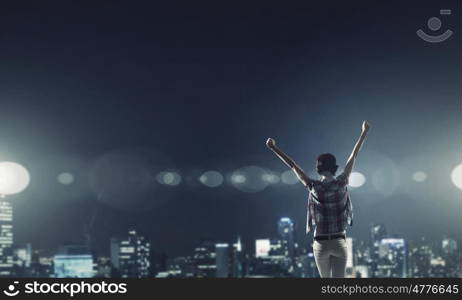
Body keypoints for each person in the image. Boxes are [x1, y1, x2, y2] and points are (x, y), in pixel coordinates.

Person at [266, 120, 370, 278]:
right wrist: (364, 132)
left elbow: (292, 165)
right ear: (333, 167)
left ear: (318, 168)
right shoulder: (342, 182)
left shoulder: (313, 186)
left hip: (320, 241)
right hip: (339, 240)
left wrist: (273, 148)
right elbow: (354, 155)